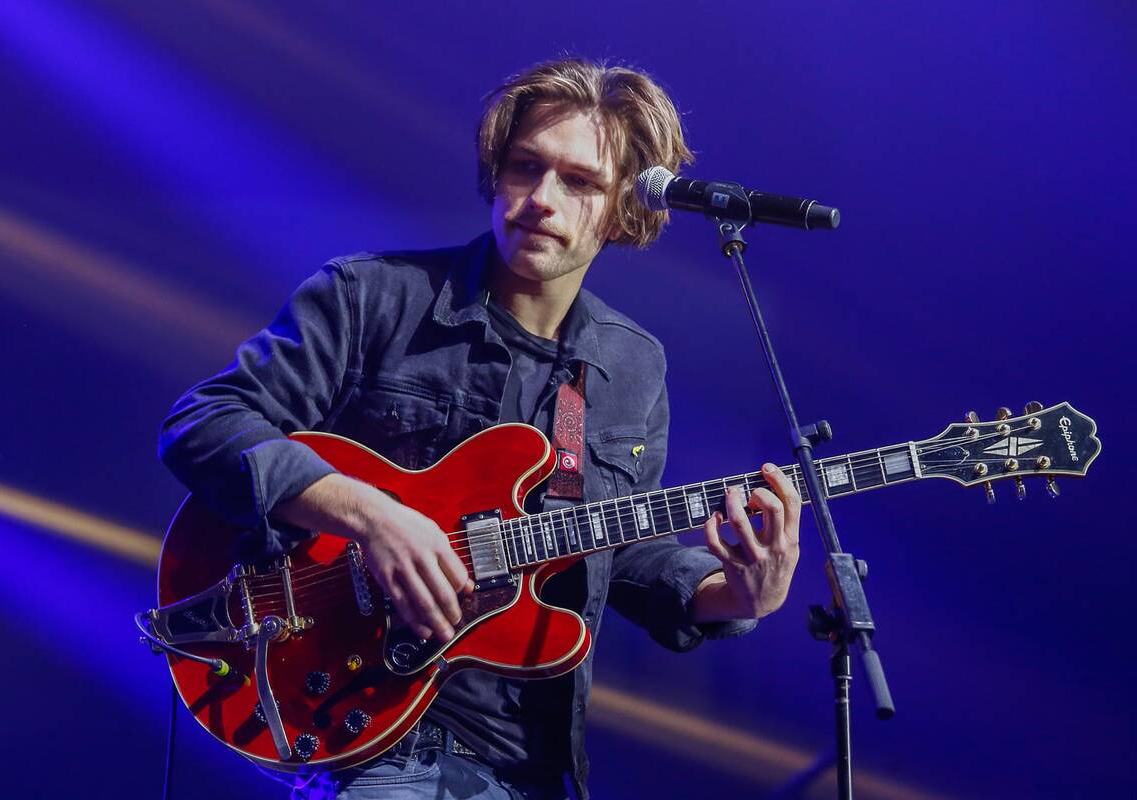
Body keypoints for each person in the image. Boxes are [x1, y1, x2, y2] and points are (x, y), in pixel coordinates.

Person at [159, 57, 801, 800]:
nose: (541, 199)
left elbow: (613, 550)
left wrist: (734, 595)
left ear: (625, 210)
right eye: (526, 167)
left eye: (580, 182)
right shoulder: (373, 296)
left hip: (531, 761)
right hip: (369, 726)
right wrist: (372, 516)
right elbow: (204, 423)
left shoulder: (631, 364)